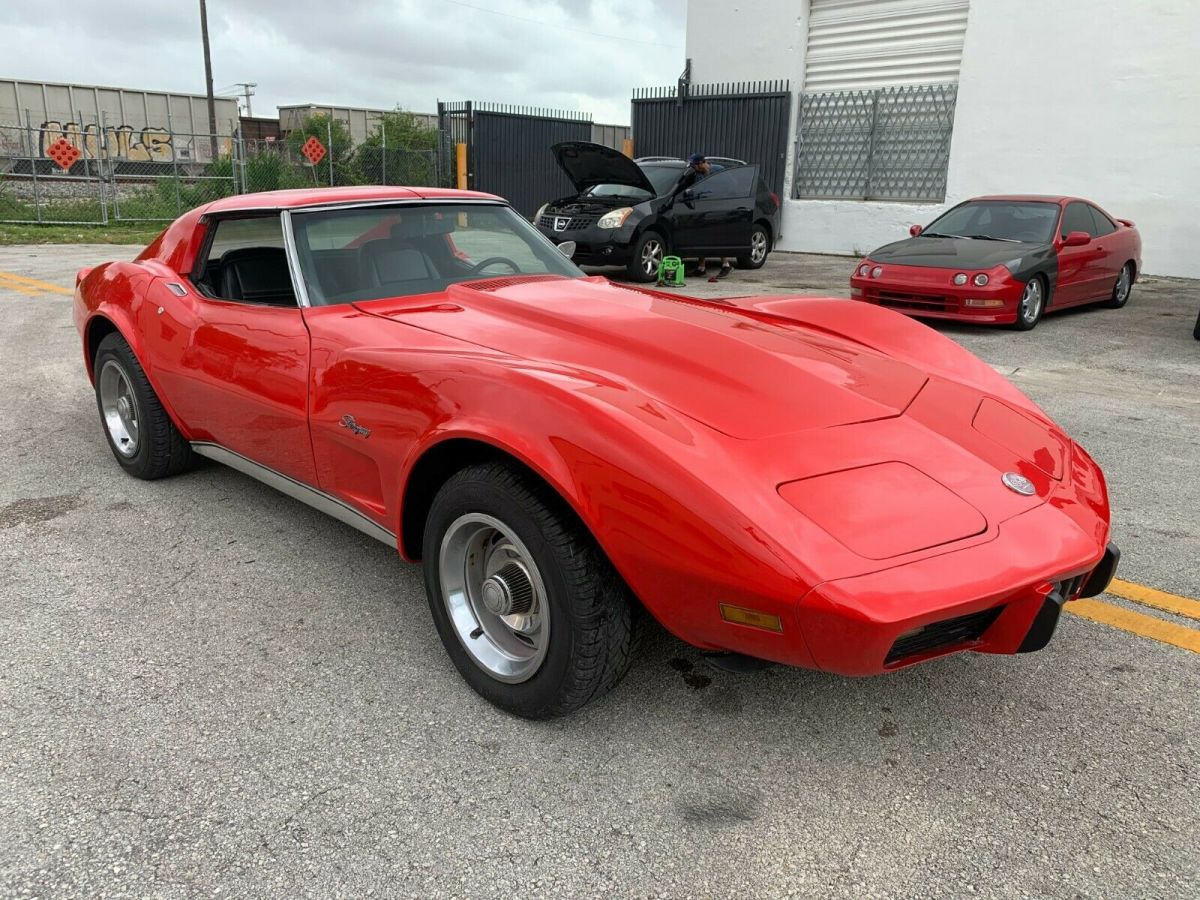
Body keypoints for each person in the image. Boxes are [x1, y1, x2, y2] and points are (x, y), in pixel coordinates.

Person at [684, 153, 733, 280]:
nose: (693, 168)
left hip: (719, 208)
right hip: (703, 209)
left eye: (694, 166)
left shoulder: (719, 170)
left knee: (718, 236)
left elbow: (731, 187)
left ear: (701, 163)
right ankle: (701, 268)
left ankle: (726, 265)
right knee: (702, 237)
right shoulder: (697, 175)